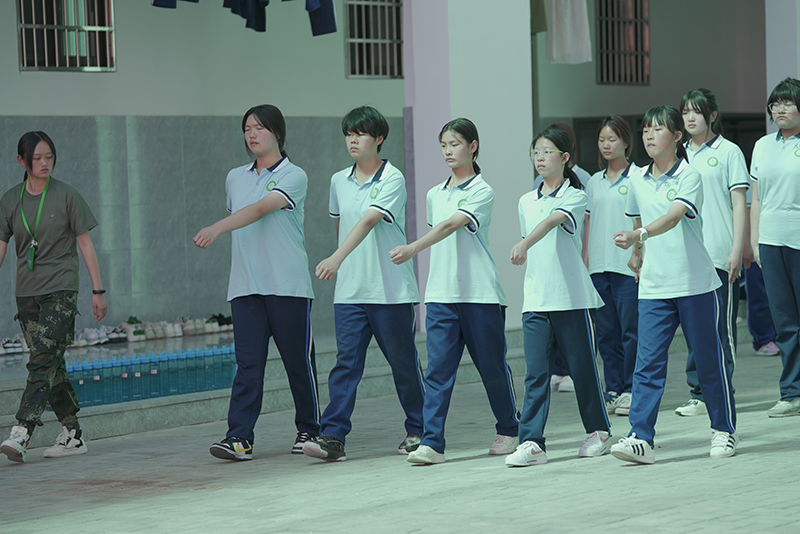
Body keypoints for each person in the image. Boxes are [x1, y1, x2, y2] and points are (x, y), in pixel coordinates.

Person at [610, 105, 737, 464]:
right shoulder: (637, 178)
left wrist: (639, 234)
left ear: (677, 137)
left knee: (709, 362)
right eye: (645, 130)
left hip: (695, 285)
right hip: (654, 287)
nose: (649, 135)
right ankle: (640, 438)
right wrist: (637, 253)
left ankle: (724, 429)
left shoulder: (690, 175)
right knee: (647, 364)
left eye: (658, 129)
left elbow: (672, 216)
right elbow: (638, 216)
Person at [389, 118, 520, 465]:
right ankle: (432, 442)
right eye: (444, 145)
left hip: (479, 295)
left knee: (492, 368)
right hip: (441, 294)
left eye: (455, 144)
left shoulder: (482, 190)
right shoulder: (435, 194)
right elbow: (441, 231)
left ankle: (509, 428)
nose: (448, 151)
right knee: (437, 372)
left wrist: (413, 248)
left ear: (473, 146)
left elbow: (450, 226)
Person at [194, 104, 320, 460]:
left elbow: (262, 208)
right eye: (247, 128)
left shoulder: (294, 174)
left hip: (287, 286)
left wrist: (217, 227)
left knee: (298, 363)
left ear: (277, 133)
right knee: (248, 365)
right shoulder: (235, 177)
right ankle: (239, 438)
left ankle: (310, 429)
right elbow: (245, 213)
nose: (252, 134)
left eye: (259, 128)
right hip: (245, 287)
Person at [302, 106, 424, 462]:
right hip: (350, 293)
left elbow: (370, 220)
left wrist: (336, 258)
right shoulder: (338, 180)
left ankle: (421, 428)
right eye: (349, 134)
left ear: (379, 138)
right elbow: (343, 225)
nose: (353, 140)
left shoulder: (392, 178)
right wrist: (344, 266)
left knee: (403, 365)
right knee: (345, 366)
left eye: (361, 134)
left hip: (390, 291)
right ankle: (332, 436)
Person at [504, 128, 611, 467]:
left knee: (582, 370)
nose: (540, 157)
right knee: (536, 374)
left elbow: (553, 221)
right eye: (536, 151)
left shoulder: (576, 196)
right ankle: (532, 442)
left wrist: (524, 243)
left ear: (565, 158)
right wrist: (526, 244)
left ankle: (599, 431)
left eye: (547, 151)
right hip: (536, 300)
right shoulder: (525, 201)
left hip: (571, 299)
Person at [0, 131, 108, 463]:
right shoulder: (11, 200)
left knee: (42, 360)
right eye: (37, 158)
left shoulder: (67, 195)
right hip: (26, 293)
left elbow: (85, 244)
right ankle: (72, 433)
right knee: (50, 364)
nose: (45, 163)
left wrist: (98, 290)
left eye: (49, 156)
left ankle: (22, 431)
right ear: (22, 161)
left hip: (61, 289)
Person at [675, 88, 749, 417]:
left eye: (697, 111)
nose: (690, 118)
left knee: (722, 329)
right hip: (687, 255)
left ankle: (721, 390)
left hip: (719, 253)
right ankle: (699, 393)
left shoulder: (729, 152)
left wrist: (737, 249)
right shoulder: (678, 154)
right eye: (685, 112)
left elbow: (739, 204)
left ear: (713, 115)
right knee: (694, 327)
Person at [582, 116, 639, 416]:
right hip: (599, 267)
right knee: (606, 332)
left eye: (612, 139)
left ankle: (631, 388)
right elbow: (588, 223)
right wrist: (585, 259)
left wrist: (639, 257)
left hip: (627, 267)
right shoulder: (594, 181)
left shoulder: (638, 177)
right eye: (602, 140)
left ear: (626, 143)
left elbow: (642, 223)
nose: (606, 145)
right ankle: (613, 388)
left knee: (630, 330)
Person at [750, 77, 800, 418]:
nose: (780, 109)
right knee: (784, 322)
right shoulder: (762, 145)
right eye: (775, 104)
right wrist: (755, 241)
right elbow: (756, 198)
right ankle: (791, 392)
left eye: (788, 103)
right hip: (770, 241)